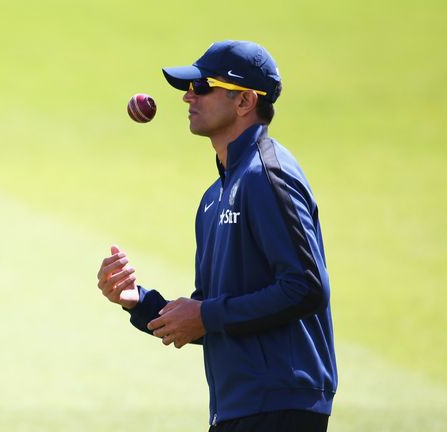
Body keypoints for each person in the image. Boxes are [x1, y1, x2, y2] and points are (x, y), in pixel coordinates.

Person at [96, 40, 338, 432]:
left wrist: (207, 315)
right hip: (237, 408)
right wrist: (139, 302)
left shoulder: (267, 177)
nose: (188, 96)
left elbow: (307, 287)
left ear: (244, 101)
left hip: (280, 404)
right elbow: (214, 316)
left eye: (203, 86)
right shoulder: (214, 197)